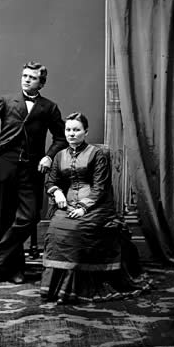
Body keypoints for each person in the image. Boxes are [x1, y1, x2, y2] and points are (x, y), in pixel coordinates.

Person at [40, 112, 152, 304]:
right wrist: (56, 192)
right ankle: (56, 288)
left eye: (76, 130)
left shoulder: (97, 153)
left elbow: (100, 186)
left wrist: (84, 207)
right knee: (55, 229)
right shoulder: (59, 155)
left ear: (85, 131)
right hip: (68, 205)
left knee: (77, 229)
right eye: (68, 130)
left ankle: (76, 288)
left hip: (96, 206)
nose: (72, 134)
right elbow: (51, 180)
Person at [0, 61, 68, 284]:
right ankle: (14, 268)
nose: (26, 79)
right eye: (24, 75)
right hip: (3, 165)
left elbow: (61, 137)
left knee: (30, 215)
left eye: (32, 77)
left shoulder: (49, 107)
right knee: (3, 217)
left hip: (31, 169)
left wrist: (49, 155)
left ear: (41, 83)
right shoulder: (6, 101)